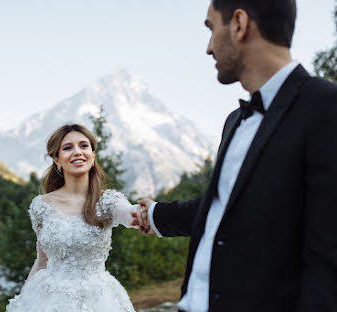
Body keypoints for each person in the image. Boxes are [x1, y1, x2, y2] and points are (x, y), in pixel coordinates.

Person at [131, 0, 337, 311]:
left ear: (239, 24)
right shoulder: (235, 121)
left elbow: (328, 261)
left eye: (211, 28)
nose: (209, 48)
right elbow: (225, 206)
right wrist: (157, 214)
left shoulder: (326, 108)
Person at [6, 124, 137, 312]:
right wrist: (22, 301)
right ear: (57, 159)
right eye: (68, 148)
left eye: (84, 146)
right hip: (48, 300)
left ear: (93, 155)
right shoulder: (41, 206)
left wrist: (145, 213)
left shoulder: (108, 201)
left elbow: (132, 215)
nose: (77, 152)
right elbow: (42, 260)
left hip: (99, 300)